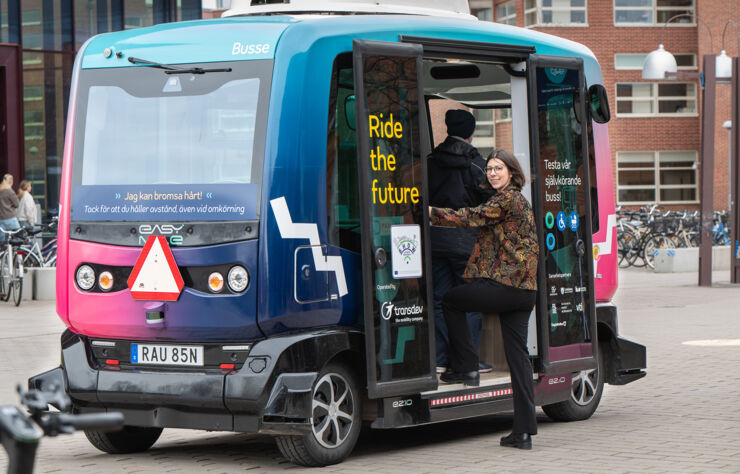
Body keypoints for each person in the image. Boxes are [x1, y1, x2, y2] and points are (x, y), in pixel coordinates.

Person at [429, 149, 539, 450]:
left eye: (499, 168)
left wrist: (431, 213)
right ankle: (524, 432)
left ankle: (465, 364)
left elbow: (471, 217)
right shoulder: (517, 200)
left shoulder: (506, 200)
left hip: (507, 287)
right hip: (524, 291)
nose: (492, 173)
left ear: (511, 172)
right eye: (489, 169)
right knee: (518, 360)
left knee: (451, 300)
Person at [427, 109, 494, 374]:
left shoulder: (431, 161)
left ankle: (441, 359)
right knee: (471, 300)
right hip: (465, 242)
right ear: (471, 131)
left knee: (440, 299)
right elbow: (490, 202)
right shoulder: (477, 163)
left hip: (435, 241)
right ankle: (469, 360)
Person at [0, 173, 21, 244]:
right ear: (11, 181)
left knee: (2, 242)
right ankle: (17, 254)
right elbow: (17, 204)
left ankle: (4, 254)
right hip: (10, 218)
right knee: (19, 237)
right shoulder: (10, 191)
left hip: (1, 219)